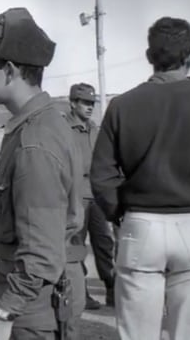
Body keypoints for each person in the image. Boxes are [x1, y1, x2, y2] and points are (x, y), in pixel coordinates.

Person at [90, 17, 190, 340]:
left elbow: (102, 174)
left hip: (141, 223)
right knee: (188, 333)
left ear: (150, 55)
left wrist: (120, 213)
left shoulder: (122, 106)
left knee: (137, 334)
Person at [0, 8, 85, 340]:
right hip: (30, 298)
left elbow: (40, 254)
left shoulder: (35, 142)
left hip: (29, 307)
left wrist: (2, 316)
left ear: (10, 70)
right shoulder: (39, 125)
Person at [65, 83, 116, 309]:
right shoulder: (64, 128)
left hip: (96, 195)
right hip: (74, 195)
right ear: (73, 103)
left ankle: (112, 288)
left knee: (104, 242)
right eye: (85, 103)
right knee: (76, 244)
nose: (89, 107)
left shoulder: (95, 129)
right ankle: (80, 292)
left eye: (92, 103)